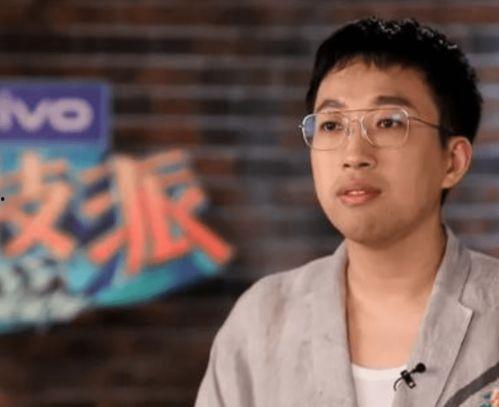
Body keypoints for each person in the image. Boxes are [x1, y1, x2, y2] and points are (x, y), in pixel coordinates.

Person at [194, 17, 499, 407]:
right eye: (332, 125)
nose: (354, 155)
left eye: (388, 122)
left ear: (452, 161)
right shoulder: (260, 322)